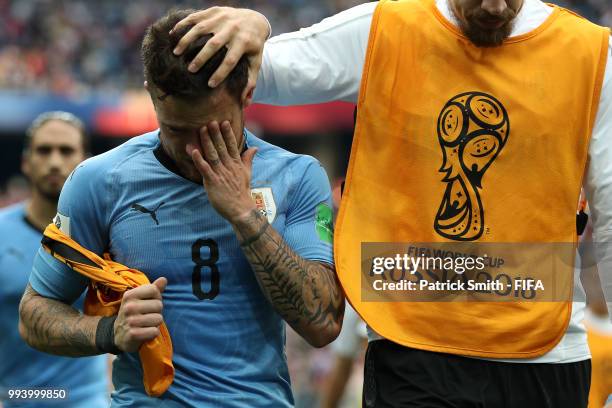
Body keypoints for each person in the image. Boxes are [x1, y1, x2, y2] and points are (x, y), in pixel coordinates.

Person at [172, 1, 612, 407]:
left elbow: (610, 217)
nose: (495, 7)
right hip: (412, 350)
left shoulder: (592, 54)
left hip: (545, 355)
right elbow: (252, 71)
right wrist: (257, 26)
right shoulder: (385, 30)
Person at [18, 9, 344, 408]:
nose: (193, 149)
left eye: (211, 129)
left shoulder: (298, 176)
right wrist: (109, 332)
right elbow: (34, 313)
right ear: (151, 94)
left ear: (246, 95)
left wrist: (244, 214)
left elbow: (323, 324)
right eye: (176, 129)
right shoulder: (99, 181)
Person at [0, 112, 109, 407]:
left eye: (66, 151)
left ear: (86, 162)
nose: (55, 161)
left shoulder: (105, 235)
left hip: (87, 400)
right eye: (44, 150)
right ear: (26, 161)